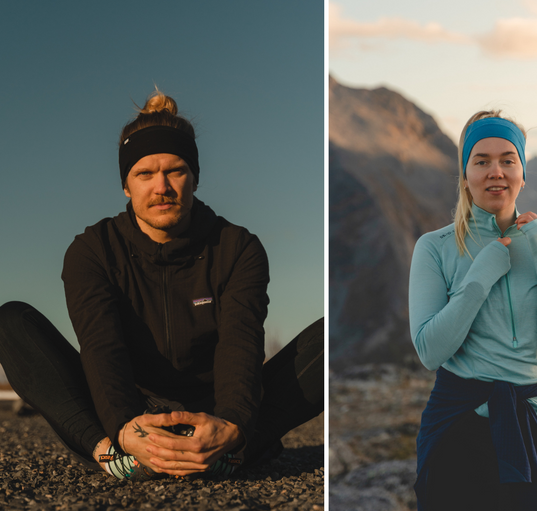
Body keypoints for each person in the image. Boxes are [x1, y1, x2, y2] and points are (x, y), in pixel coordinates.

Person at [0, 90, 323, 481]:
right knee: (11, 322)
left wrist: (233, 424)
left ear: (195, 177)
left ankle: (232, 450)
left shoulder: (237, 247)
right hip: (131, 410)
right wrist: (124, 429)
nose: (162, 187)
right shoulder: (93, 251)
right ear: (126, 185)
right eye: (144, 174)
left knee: (332, 338)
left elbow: (241, 345)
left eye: (175, 170)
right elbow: (103, 350)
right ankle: (115, 456)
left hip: (213, 407)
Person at [408, 111, 537, 511]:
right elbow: (430, 350)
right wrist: (480, 276)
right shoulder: (434, 248)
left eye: (508, 160)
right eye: (482, 160)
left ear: (523, 172)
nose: (496, 171)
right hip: (462, 427)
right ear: (465, 174)